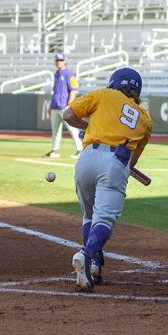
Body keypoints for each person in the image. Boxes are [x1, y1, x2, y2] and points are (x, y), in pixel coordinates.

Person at [61, 68, 153, 291]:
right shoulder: (145, 119)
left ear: (115, 83)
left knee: (89, 215)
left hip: (87, 157)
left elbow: (68, 115)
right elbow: (131, 162)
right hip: (116, 161)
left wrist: (88, 127)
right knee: (104, 220)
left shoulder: (102, 94)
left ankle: (94, 267)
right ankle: (86, 255)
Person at [45, 53, 83, 159]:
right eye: (57, 60)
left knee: (72, 129)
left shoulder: (69, 73)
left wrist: (69, 105)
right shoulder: (56, 74)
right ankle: (55, 150)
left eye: (61, 60)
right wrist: (50, 106)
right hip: (55, 106)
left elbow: (73, 90)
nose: (59, 62)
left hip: (64, 107)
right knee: (55, 130)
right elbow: (55, 91)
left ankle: (80, 150)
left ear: (64, 61)